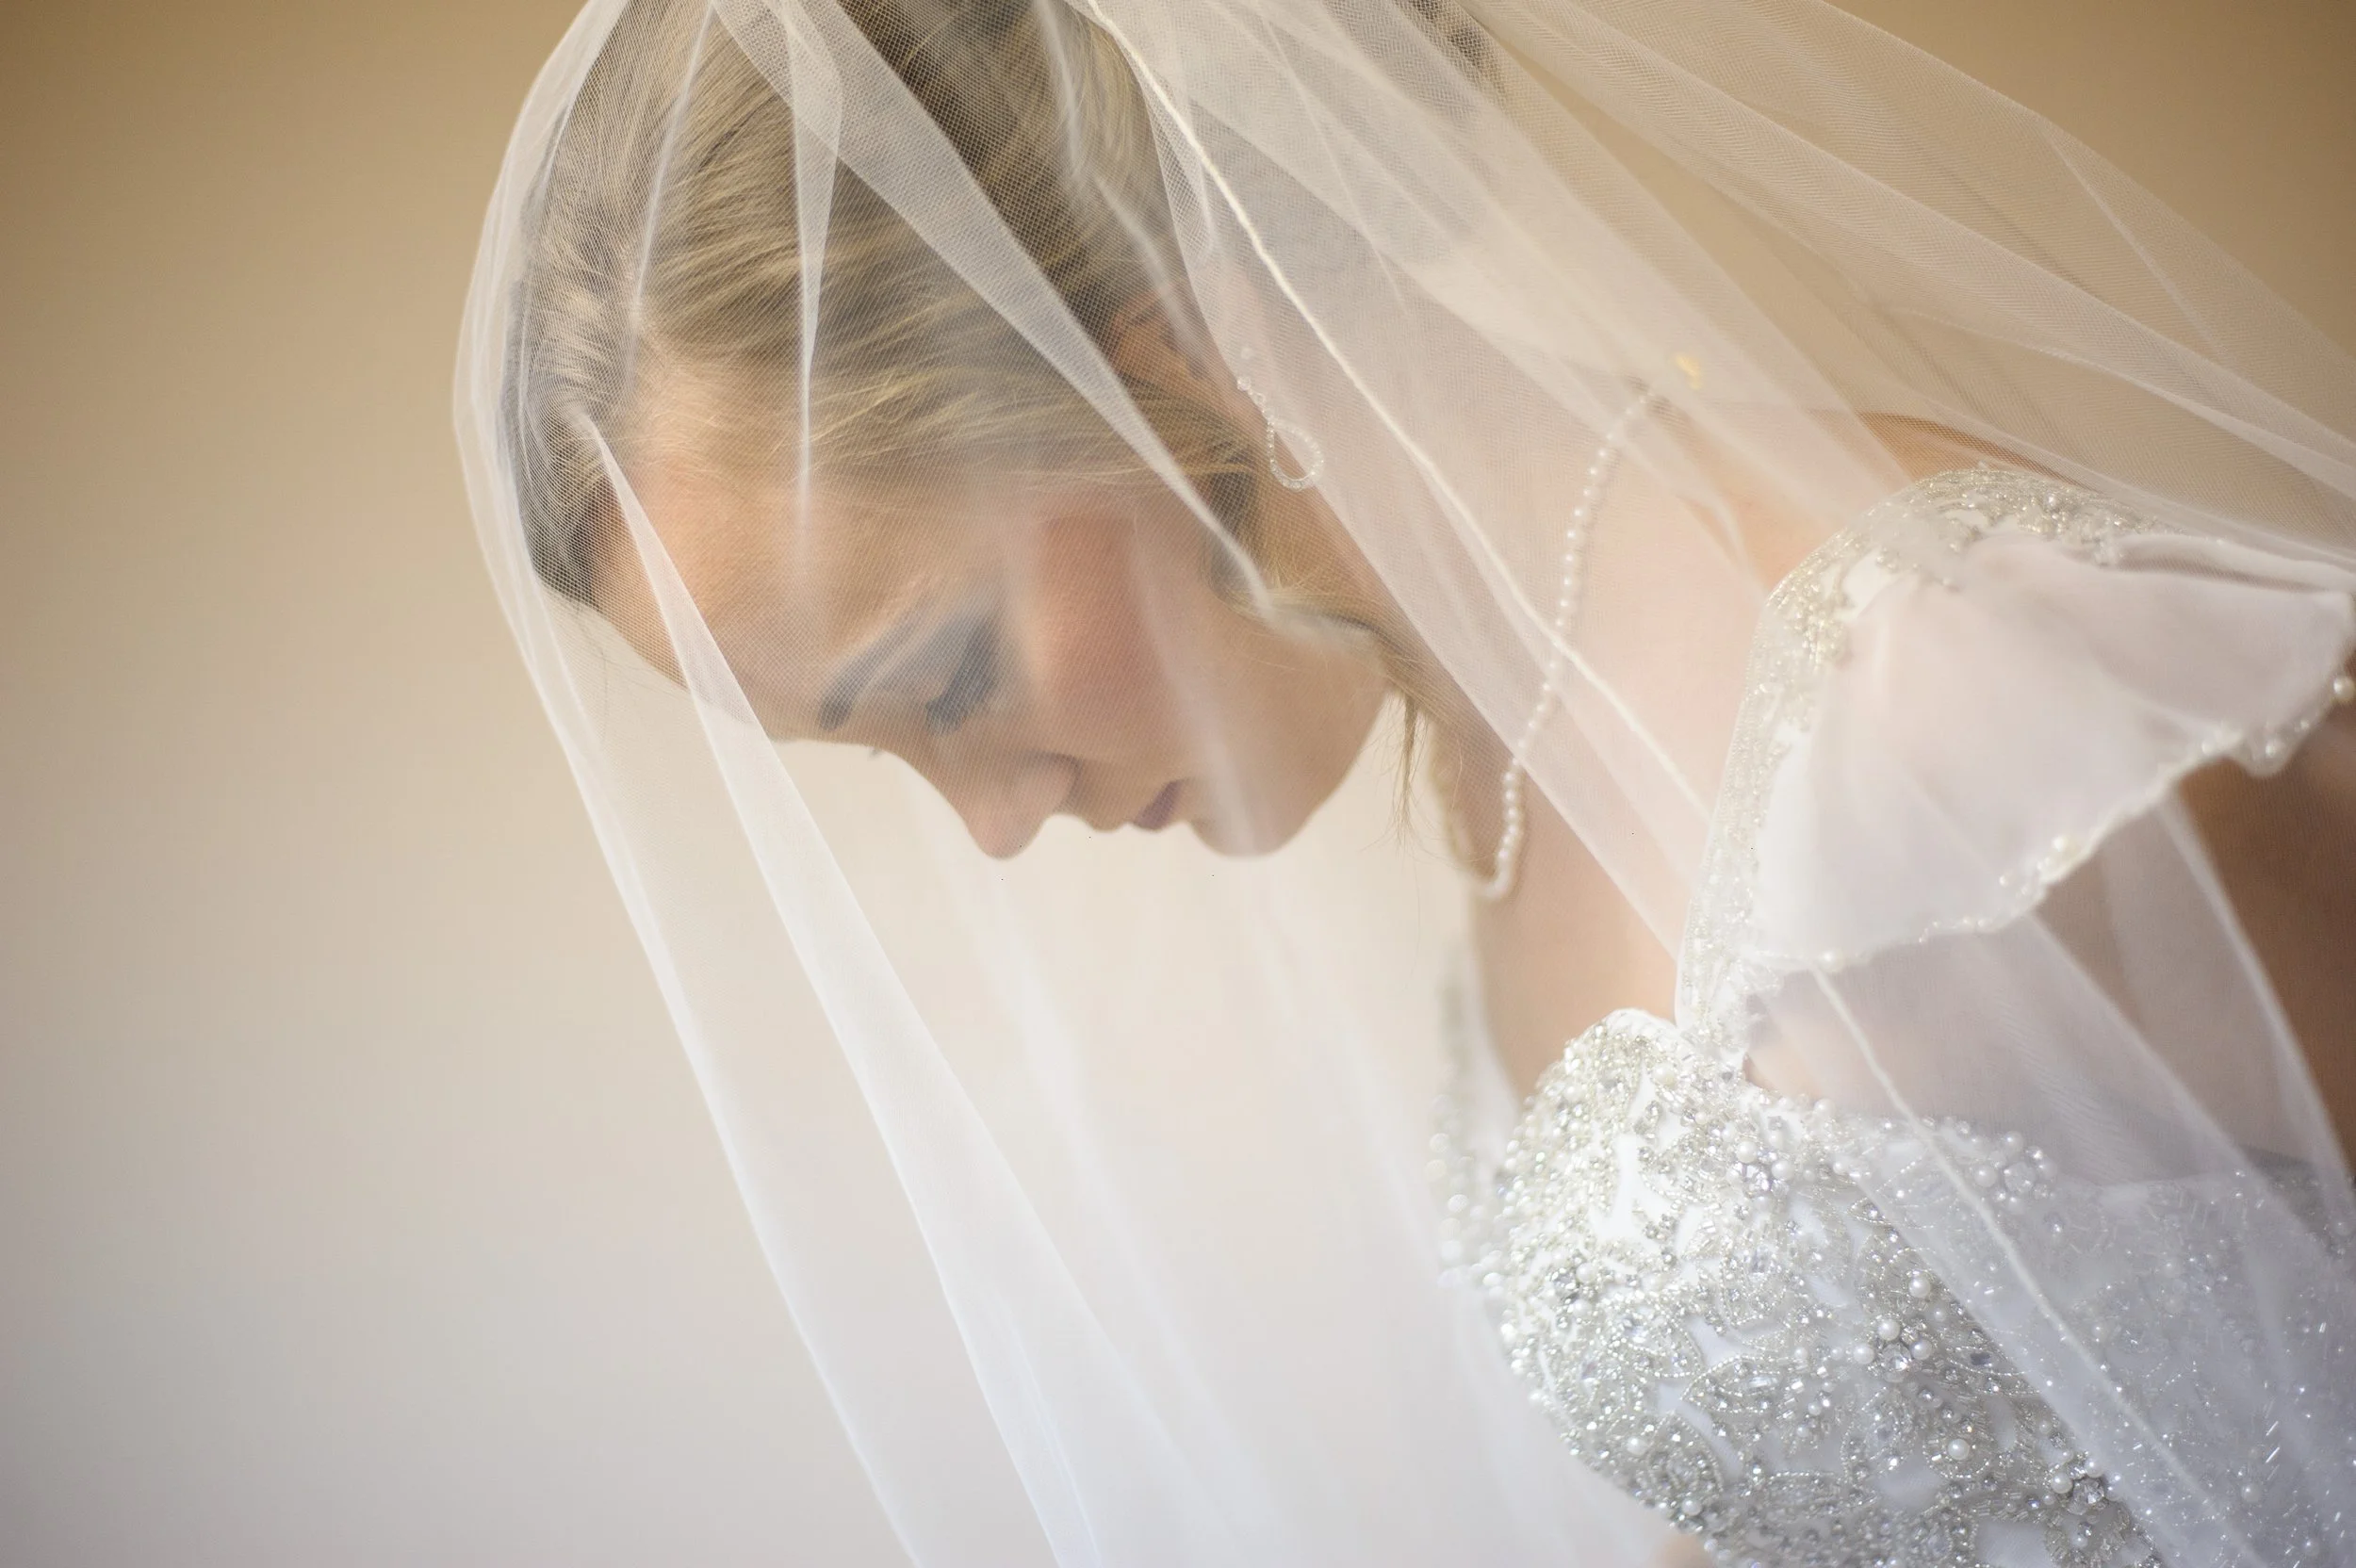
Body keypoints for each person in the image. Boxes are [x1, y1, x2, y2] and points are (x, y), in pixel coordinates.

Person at [458, 1, 2356, 1562]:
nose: (992, 814)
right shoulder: (1499, 767)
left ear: (1159, 362)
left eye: (952, 675)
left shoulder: (1957, 725)